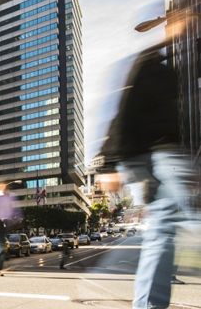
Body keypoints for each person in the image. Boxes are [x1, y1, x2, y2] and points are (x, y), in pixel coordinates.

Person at [96, 41, 199, 308]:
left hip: (171, 156)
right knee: (180, 222)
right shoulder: (147, 61)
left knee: (164, 230)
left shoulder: (175, 67)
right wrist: (108, 164)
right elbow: (124, 109)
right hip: (158, 156)